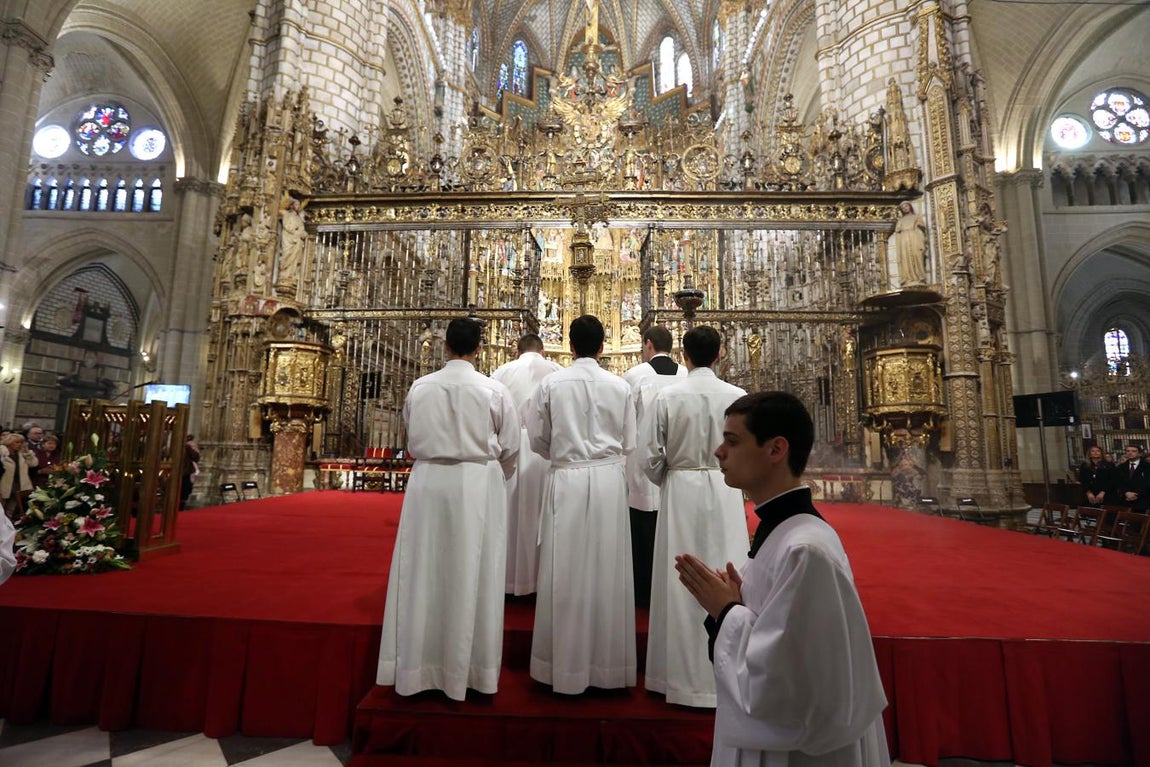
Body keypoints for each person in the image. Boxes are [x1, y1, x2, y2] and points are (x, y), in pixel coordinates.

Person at [675, 391, 890, 766]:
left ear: (776, 450)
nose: (718, 452)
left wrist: (726, 611)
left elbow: (786, 682)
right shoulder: (784, 532)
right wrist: (740, 605)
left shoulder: (805, 550)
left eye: (733, 441)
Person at [377, 317, 520, 700]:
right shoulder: (494, 390)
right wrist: (492, 475)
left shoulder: (420, 388)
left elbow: (410, 433)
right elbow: (511, 448)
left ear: (445, 347)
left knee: (424, 569)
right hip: (478, 483)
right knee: (475, 571)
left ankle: (417, 667)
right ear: (479, 348)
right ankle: (472, 671)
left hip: (428, 482)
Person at [525, 314, 637, 694]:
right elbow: (628, 441)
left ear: (570, 346)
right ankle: (608, 668)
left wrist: (564, 452)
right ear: (603, 346)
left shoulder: (551, 383)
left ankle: (563, 667)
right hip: (607, 479)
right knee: (608, 567)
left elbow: (537, 438)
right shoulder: (620, 386)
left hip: (568, 477)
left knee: (564, 567)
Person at [641, 325, 748, 708]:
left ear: (684, 355)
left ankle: (676, 677)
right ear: (719, 355)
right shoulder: (738, 398)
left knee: (680, 582)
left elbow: (649, 457)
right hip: (724, 490)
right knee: (726, 571)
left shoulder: (668, 395)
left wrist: (670, 478)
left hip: (681, 491)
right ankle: (726, 674)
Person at [491, 333, 562, 595]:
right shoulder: (555, 371)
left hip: (511, 447)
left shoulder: (502, 372)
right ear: (543, 351)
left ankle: (509, 582)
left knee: (511, 516)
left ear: (517, 352)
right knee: (541, 517)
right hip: (543, 451)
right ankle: (540, 582)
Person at [622, 325, 686, 608]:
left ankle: (644, 592)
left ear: (648, 345)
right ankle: (676, 586)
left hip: (642, 464)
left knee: (643, 530)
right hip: (680, 462)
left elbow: (624, 421)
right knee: (676, 527)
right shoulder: (686, 374)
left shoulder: (635, 376)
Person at [1, 432, 38, 520]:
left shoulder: (21, 454)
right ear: (9, 442)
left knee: (11, 511)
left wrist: (28, 452)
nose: (19, 445)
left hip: (18, 485)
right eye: (16, 442)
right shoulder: (3, 452)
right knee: (1, 510)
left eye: (21, 442)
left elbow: (34, 464)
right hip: (4, 485)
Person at [894, 201, 927, 287]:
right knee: (905, 258)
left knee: (917, 256)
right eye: (903, 208)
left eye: (906, 206)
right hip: (904, 240)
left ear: (910, 206)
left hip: (914, 238)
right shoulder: (901, 220)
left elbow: (922, 227)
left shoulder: (916, 217)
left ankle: (919, 277)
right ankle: (908, 278)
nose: (905, 208)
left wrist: (920, 227)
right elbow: (897, 230)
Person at [1114, 443, 1150, 511]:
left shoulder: (1147, 466)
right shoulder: (1121, 467)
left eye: (1133, 451)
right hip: (1125, 501)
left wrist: (1137, 495)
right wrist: (1126, 492)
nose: (1130, 453)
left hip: (1143, 501)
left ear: (1140, 453)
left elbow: (1147, 483)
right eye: (1128, 451)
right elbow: (1118, 482)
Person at [181, 435, 201, 510]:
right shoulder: (187, 447)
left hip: (181, 471)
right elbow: (196, 457)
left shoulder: (184, 446)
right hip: (185, 472)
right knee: (184, 490)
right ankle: (181, 506)